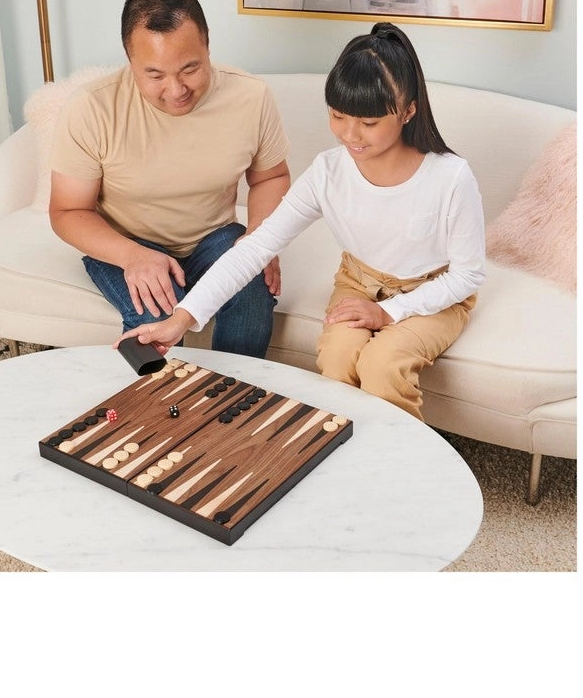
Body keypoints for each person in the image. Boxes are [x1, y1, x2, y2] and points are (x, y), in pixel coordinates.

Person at [114, 21, 486, 421]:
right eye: (339, 116)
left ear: (409, 110)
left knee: (382, 365)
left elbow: (467, 276)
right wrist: (181, 320)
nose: (350, 135)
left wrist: (388, 314)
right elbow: (257, 247)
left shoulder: (450, 177)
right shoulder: (328, 172)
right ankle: (348, 451)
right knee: (338, 359)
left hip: (434, 293)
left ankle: (398, 466)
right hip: (358, 282)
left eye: (370, 122)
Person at [49, 0, 291, 358]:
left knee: (251, 291)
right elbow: (67, 211)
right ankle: (147, 409)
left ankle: (233, 401)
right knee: (156, 310)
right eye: (155, 75)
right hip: (126, 241)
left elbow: (270, 177)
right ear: (130, 62)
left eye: (190, 68)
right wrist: (132, 257)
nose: (176, 89)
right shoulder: (91, 108)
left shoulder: (251, 97)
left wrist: (260, 238)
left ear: (208, 46)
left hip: (214, 237)